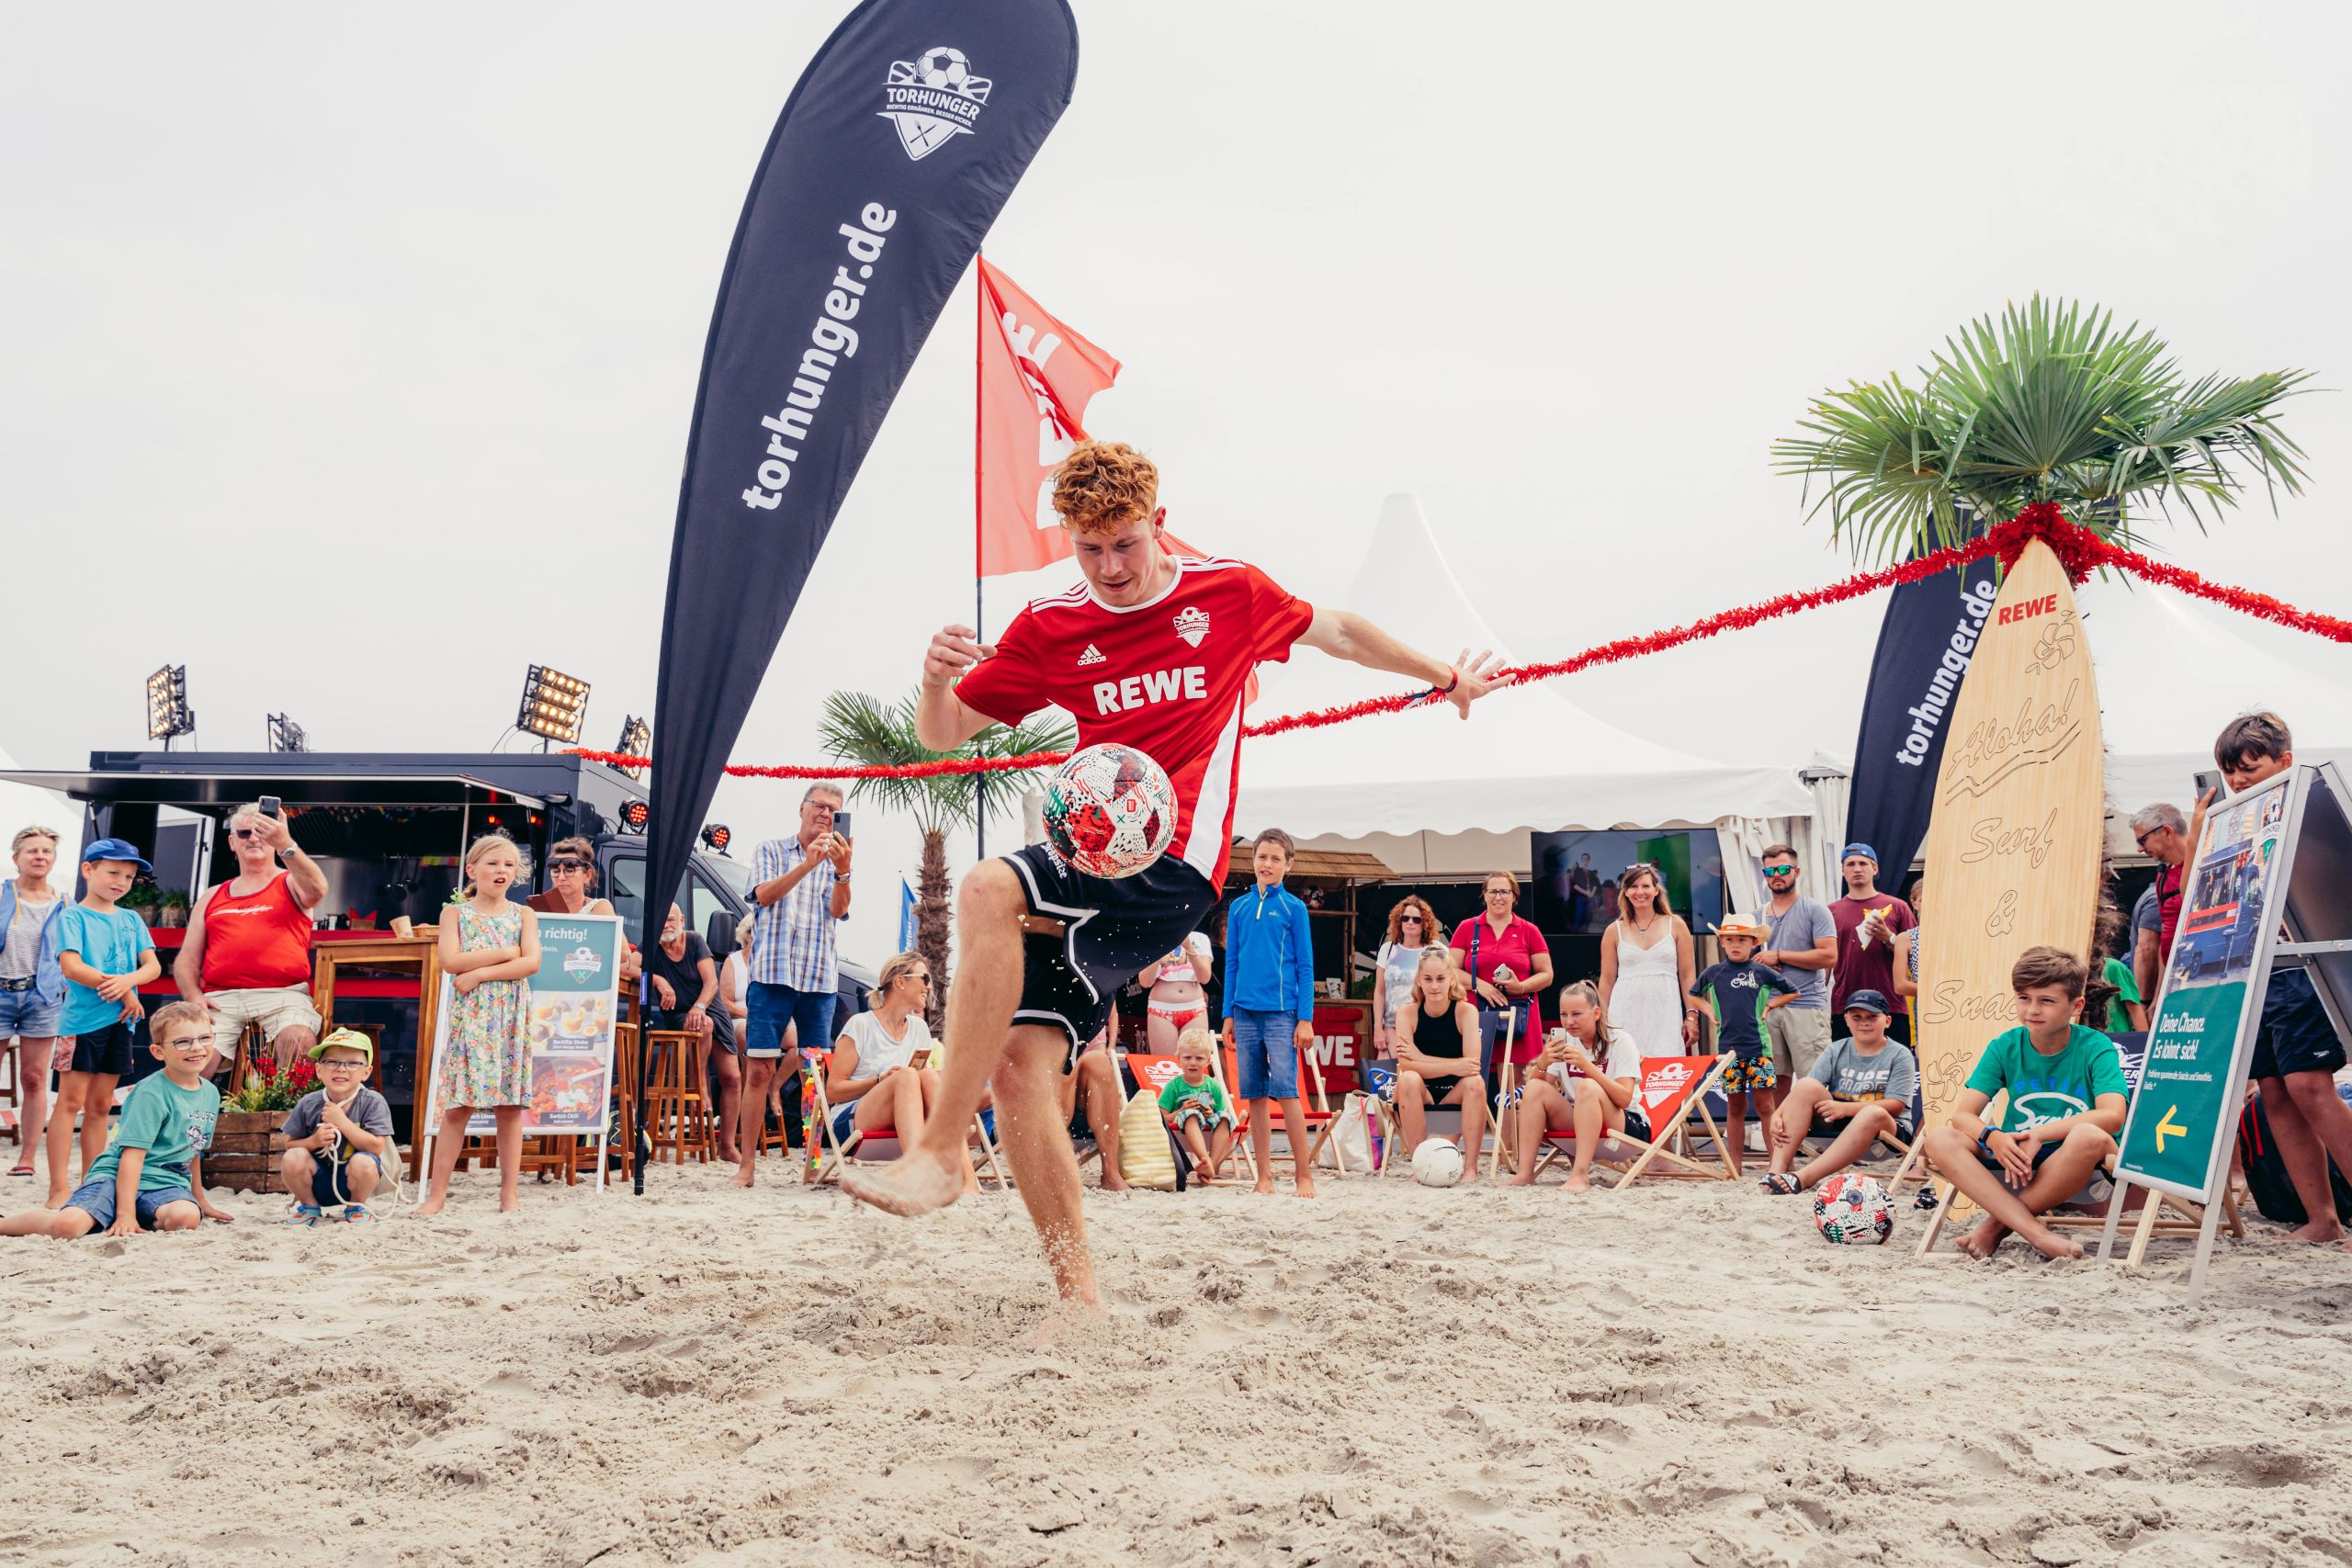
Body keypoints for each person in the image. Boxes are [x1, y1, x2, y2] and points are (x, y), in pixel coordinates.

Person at [843, 439, 1510, 1308]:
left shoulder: (1226, 593)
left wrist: (1445, 676)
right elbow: (944, 734)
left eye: (1125, 542)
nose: (1110, 567)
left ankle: (937, 1148)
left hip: (1175, 862)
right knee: (1018, 1061)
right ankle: (1079, 1300)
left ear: (1159, 524)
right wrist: (933, 682)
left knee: (982, 887)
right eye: (1089, 549)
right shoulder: (1054, 625)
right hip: (1090, 854)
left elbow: (1340, 631)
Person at [2211, 713, 2352, 1246]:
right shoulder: (2235, 819)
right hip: (2255, 971)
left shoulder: (2310, 807)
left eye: (2251, 767)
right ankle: (2322, 1220)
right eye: (2232, 772)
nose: (2240, 780)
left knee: (2311, 1088)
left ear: (2284, 762)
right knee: (2274, 1093)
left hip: (2306, 967)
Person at [1920, 947, 2127, 1260]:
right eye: (2024, 998)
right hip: (2017, 1159)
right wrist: (1993, 1136)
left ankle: (1994, 1228)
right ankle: (2037, 1234)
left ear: (2076, 1005)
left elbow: (2113, 1116)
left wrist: (2040, 1135)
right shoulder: (2005, 1046)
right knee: (1938, 1139)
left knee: (2091, 1135)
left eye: (2046, 1000)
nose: (2033, 1009)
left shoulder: (2095, 1046)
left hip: (2078, 1162)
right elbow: (1963, 1115)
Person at [2, 1001, 231, 1239]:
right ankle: (6, 1224)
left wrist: (199, 1198)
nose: (197, 1048)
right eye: (183, 1042)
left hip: (165, 1183)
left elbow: (192, 1151)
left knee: (186, 1218)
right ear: (158, 1052)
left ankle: (121, 1215)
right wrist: (125, 1214)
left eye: (205, 1038)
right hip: (114, 1177)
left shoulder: (210, 1094)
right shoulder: (151, 1093)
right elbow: (132, 1157)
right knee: (68, 1226)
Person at [417, 833, 542, 1217]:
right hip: (472, 1017)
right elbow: (451, 962)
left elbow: (531, 963)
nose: (501, 871)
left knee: (509, 1107)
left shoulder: (524, 914)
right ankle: (437, 1194)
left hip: (509, 1014)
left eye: (508, 865)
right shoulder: (456, 913)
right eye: (492, 864)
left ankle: (509, 1194)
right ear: (472, 870)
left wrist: (482, 973)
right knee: (459, 1106)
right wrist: (505, 953)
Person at [741, 784, 852, 1190]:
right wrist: (809, 863)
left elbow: (839, 910)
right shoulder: (771, 849)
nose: (826, 814)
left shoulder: (840, 859)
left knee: (814, 1073)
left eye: (834, 810)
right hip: (772, 974)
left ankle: (813, 1163)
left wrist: (842, 871)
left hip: (818, 976)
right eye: (820, 806)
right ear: (802, 809)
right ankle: (747, 1166)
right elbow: (764, 896)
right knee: (759, 1070)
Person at [45, 838, 160, 1210]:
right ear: (88, 870)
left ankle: (90, 1184)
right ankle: (58, 1189)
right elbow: (72, 967)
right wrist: (123, 988)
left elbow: (153, 966)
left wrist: (130, 984)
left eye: (128, 876)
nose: (121, 882)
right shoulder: (73, 916)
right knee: (69, 1103)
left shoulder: (131, 919)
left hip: (121, 1025)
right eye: (113, 872)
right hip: (81, 1023)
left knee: (100, 1107)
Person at [172, 801, 326, 1076]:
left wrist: (285, 843)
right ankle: (188, 1119)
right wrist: (193, 996)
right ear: (232, 842)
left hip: (283, 995)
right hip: (221, 998)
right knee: (191, 1056)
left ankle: (290, 1118)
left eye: (261, 832)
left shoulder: (290, 881)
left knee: (299, 1041)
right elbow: (187, 959)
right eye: (244, 833)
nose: (253, 838)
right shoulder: (212, 895)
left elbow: (317, 890)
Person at [1224, 829, 1319, 1199]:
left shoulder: (1294, 909)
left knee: (1288, 1093)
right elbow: (1231, 961)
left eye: (1275, 858)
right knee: (1255, 1096)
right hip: (1244, 1014)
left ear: (1288, 865)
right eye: (1262, 857)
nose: (1267, 864)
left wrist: (1305, 1017)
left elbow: (1306, 967)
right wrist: (1229, 1013)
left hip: (1282, 1013)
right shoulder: (1239, 908)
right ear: (1254, 860)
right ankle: (1263, 1176)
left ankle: (1303, 1176)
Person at [825, 953, 974, 1191]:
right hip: (852, 1123)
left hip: (904, 1121)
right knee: (906, 1076)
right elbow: (832, 1092)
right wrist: (879, 1080)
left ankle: (968, 1181)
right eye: (924, 978)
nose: (929, 986)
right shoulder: (861, 1025)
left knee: (926, 1075)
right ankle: (918, 1176)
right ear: (900, 982)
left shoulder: (919, 1028)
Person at [1760, 990, 1918, 1194]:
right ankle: (1776, 1171)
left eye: (1872, 1017)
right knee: (1808, 1084)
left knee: (1873, 1113)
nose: (1864, 1022)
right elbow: (1805, 1089)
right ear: (1847, 1020)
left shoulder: (1900, 1054)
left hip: (1886, 1134)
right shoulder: (1836, 1049)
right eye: (1857, 1017)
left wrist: (1845, 1108)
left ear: (1887, 1021)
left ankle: (1804, 1177)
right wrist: (1778, 1114)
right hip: (1838, 1121)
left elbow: (1896, 1106)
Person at [1505, 981, 1645, 1192]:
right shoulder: (1565, 1042)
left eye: (1576, 1014)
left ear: (1596, 1013)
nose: (1569, 1022)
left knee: (1587, 1088)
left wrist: (1586, 1066)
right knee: (1534, 1087)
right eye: (1564, 1014)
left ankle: (1580, 1176)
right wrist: (1543, 1063)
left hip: (1626, 1126)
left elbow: (1625, 1099)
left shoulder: (1620, 1041)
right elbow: (1538, 1090)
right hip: (1583, 1124)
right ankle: (1525, 1173)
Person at [1687, 917, 1797, 1178]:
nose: (1736, 944)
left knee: (1765, 1107)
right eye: (1730, 939)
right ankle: (1733, 1166)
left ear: (1754, 942)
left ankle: (1777, 1164)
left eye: (1742, 939)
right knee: (1734, 1108)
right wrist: (1709, 1012)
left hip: (1759, 1050)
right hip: (1728, 1053)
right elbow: (1693, 993)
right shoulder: (1714, 972)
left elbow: (1792, 991)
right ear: (1722, 942)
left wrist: (1770, 1006)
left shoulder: (1762, 972)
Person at [1, 825, 69, 1182]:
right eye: (32, 851)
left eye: (46, 851)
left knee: (33, 1078)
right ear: (16, 859)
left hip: (42, 998)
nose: (40, 856)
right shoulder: (1, 896)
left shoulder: (65, 903)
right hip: (0, 992)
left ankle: (27, 1157)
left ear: (53, 859)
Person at [277, 1027, 395, 1224]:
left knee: (365, 1162)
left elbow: (376, 1147)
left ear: (366, 1072)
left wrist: (342, 1122)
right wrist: (314, 1141)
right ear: (319, 1070)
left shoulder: (373, 1101)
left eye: (353, 1063)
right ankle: (309, 1207)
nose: (341, 1068)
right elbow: (289, 1146)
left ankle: (356, 1207)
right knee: (293, 1157)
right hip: (317, 1180)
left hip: (354, 1182)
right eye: (332, 1062)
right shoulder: (309, 1103)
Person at [1391, 948, 1486, 1181]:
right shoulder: (1407, 1013)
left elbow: (1472, 1065)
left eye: (1441, 979)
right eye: (1428, 979)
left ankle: (1470, 1168)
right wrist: (1455, 1066)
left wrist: (1419, 1057)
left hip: (1456, 1093)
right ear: (1419, 981)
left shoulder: (1466, 1011)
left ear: (1452, 979)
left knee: (1475, 1082)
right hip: (1421, 1094)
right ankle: (1419, 1166)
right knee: (1409, 1079)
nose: (1435, 986)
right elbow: (1407, 1067)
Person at [1449, 871, 1553, 1071]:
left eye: (1504, 892)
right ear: (1484, 895)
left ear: (1514, 896)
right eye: (1493, 891)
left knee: (1518, 1082)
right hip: (1478, 1014)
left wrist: (1521, 987)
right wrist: (1479, 985)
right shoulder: (1467, 927)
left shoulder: (1529, 930)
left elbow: (1547, 974)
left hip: (1519, 1014)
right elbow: (1450, 970)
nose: (1498, 897)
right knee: (1475, 1075)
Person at [641, 901, 723, 1150]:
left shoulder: (695, 940)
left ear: (682, 920)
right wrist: (659, 981)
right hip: (676, 1015)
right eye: (662, 920)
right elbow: (626, 965)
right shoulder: (652, 944)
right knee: (703, 1025)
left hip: (705, 1006)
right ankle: (700, 1086)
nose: (666, 925)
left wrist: (698, 1007)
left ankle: (699, 1084)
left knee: (706, 1025)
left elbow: (711, 983)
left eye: (671, 919)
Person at [1752, 842, 1837, 1080]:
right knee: (1773, 1081)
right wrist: (1759, 964)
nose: (1776, 876)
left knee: (1815, 1080)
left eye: (1783, 870)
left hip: (1807, 1005)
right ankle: (1777, 1120)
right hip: (1767, 1008)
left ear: (1797, 872)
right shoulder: (1756, 916)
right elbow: (1742, 963)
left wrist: (1779, 955)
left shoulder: (1814, 910)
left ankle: (1812, 1120)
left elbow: (1830, 956)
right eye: (1770, 872)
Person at [1598, 863, 1695, 1055]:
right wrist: (1601, 1020)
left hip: (1665, 1014)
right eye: (1633, 886)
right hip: (1624, 1016)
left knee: (1667, 1072)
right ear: (1625, 892)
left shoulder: (1675, 925)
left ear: (1656, 890)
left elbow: (1687, 975)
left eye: (1645, 886)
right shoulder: (1613, 930)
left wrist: (1692, 1015)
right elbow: (1607, 980)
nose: (1639, 892)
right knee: (1626, 1074)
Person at [1828, 844, 1915, 1043]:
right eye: (1850, 864)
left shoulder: (1898, 907)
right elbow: (1825, 964)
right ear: (1842, 871)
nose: (1857, 869)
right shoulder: (1830, 911)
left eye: (1863, 863)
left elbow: (1916, 958)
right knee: (1846, 1072)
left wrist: (1888, 937)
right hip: (1845, 1005)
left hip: (1890, 1004)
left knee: (1894, 1070)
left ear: (1875, 869)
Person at [526, 837, 640, 984]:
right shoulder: (539, 909)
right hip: (547, 987)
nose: (561, 877)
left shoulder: (598, 908)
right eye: (555, 871)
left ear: (587, 875)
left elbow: (623, 954)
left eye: (569, 870)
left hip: (584, 987)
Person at [2127, 804, 2197, 1005]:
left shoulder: (2203, 864)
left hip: (2195, 980)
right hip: (2174, 984)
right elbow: (2166, 936)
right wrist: (2157, 995)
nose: (2140, 849)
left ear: (2167, 831)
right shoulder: (2163, 876)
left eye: (2143, 840)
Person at [1159, 1025, 1235, 1182]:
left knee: (1225, 1118)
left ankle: (1210, 1166)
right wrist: (1181, 1111)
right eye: (1187, 1058)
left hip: (1208, 1130)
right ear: (1179, 1059)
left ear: (1208, 1061)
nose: (1193, 1063)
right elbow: (1160, 1118)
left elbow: (1220, 1113)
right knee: (1191, 1114)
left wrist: (1210, 1114)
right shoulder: (1174, 1086)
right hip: (1181, 1131)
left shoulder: (1213, 1085)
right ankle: (1205, 1159)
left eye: (1199, 1058)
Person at [1371, 895, 1442, 1062]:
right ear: (1399, 921)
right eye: (1405, 918)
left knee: (1418, 1077)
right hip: (1391, 1026)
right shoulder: (1387, 949)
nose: (1410, 922)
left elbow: (1447, 985)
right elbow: (1380, 991)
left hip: (1424, 1025)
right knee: (1388, 1078)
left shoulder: (1435, 949)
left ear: (1425, 923)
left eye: (1417, 919)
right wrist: (1378, 1028)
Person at [716, 913, 756, 1158]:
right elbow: (724, 1001)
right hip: (740, 1017)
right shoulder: (733, 961)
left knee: (796, 1040)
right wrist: (749, 1014)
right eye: (752, 931)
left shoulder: (769, 961)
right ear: (745, 935)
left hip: (766, 1018)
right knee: (744, 1030)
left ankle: (772, 1087)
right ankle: (751, 1080)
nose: (756, 936)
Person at [1140, 931, 1214, 1054]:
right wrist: (1160, 949)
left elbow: (1205, 978)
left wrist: (1189, 947)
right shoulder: (1153, 938)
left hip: (1194, 1007)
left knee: (1195, 1058)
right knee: (1166, 1066)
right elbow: (1144, 982)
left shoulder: (1200, 938)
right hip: (1161, 1009)